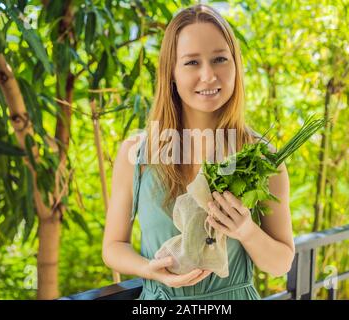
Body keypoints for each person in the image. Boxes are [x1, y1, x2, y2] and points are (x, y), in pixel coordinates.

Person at [102, 4, 294, 300]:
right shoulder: (137, 153)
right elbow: (113, 246)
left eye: (220, 59)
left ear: (235, 66)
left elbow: (281, 263)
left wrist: (245, 230)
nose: (208, 76)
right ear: (172, 72)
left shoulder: (261, 156)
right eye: (192, 63)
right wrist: (149, 269)